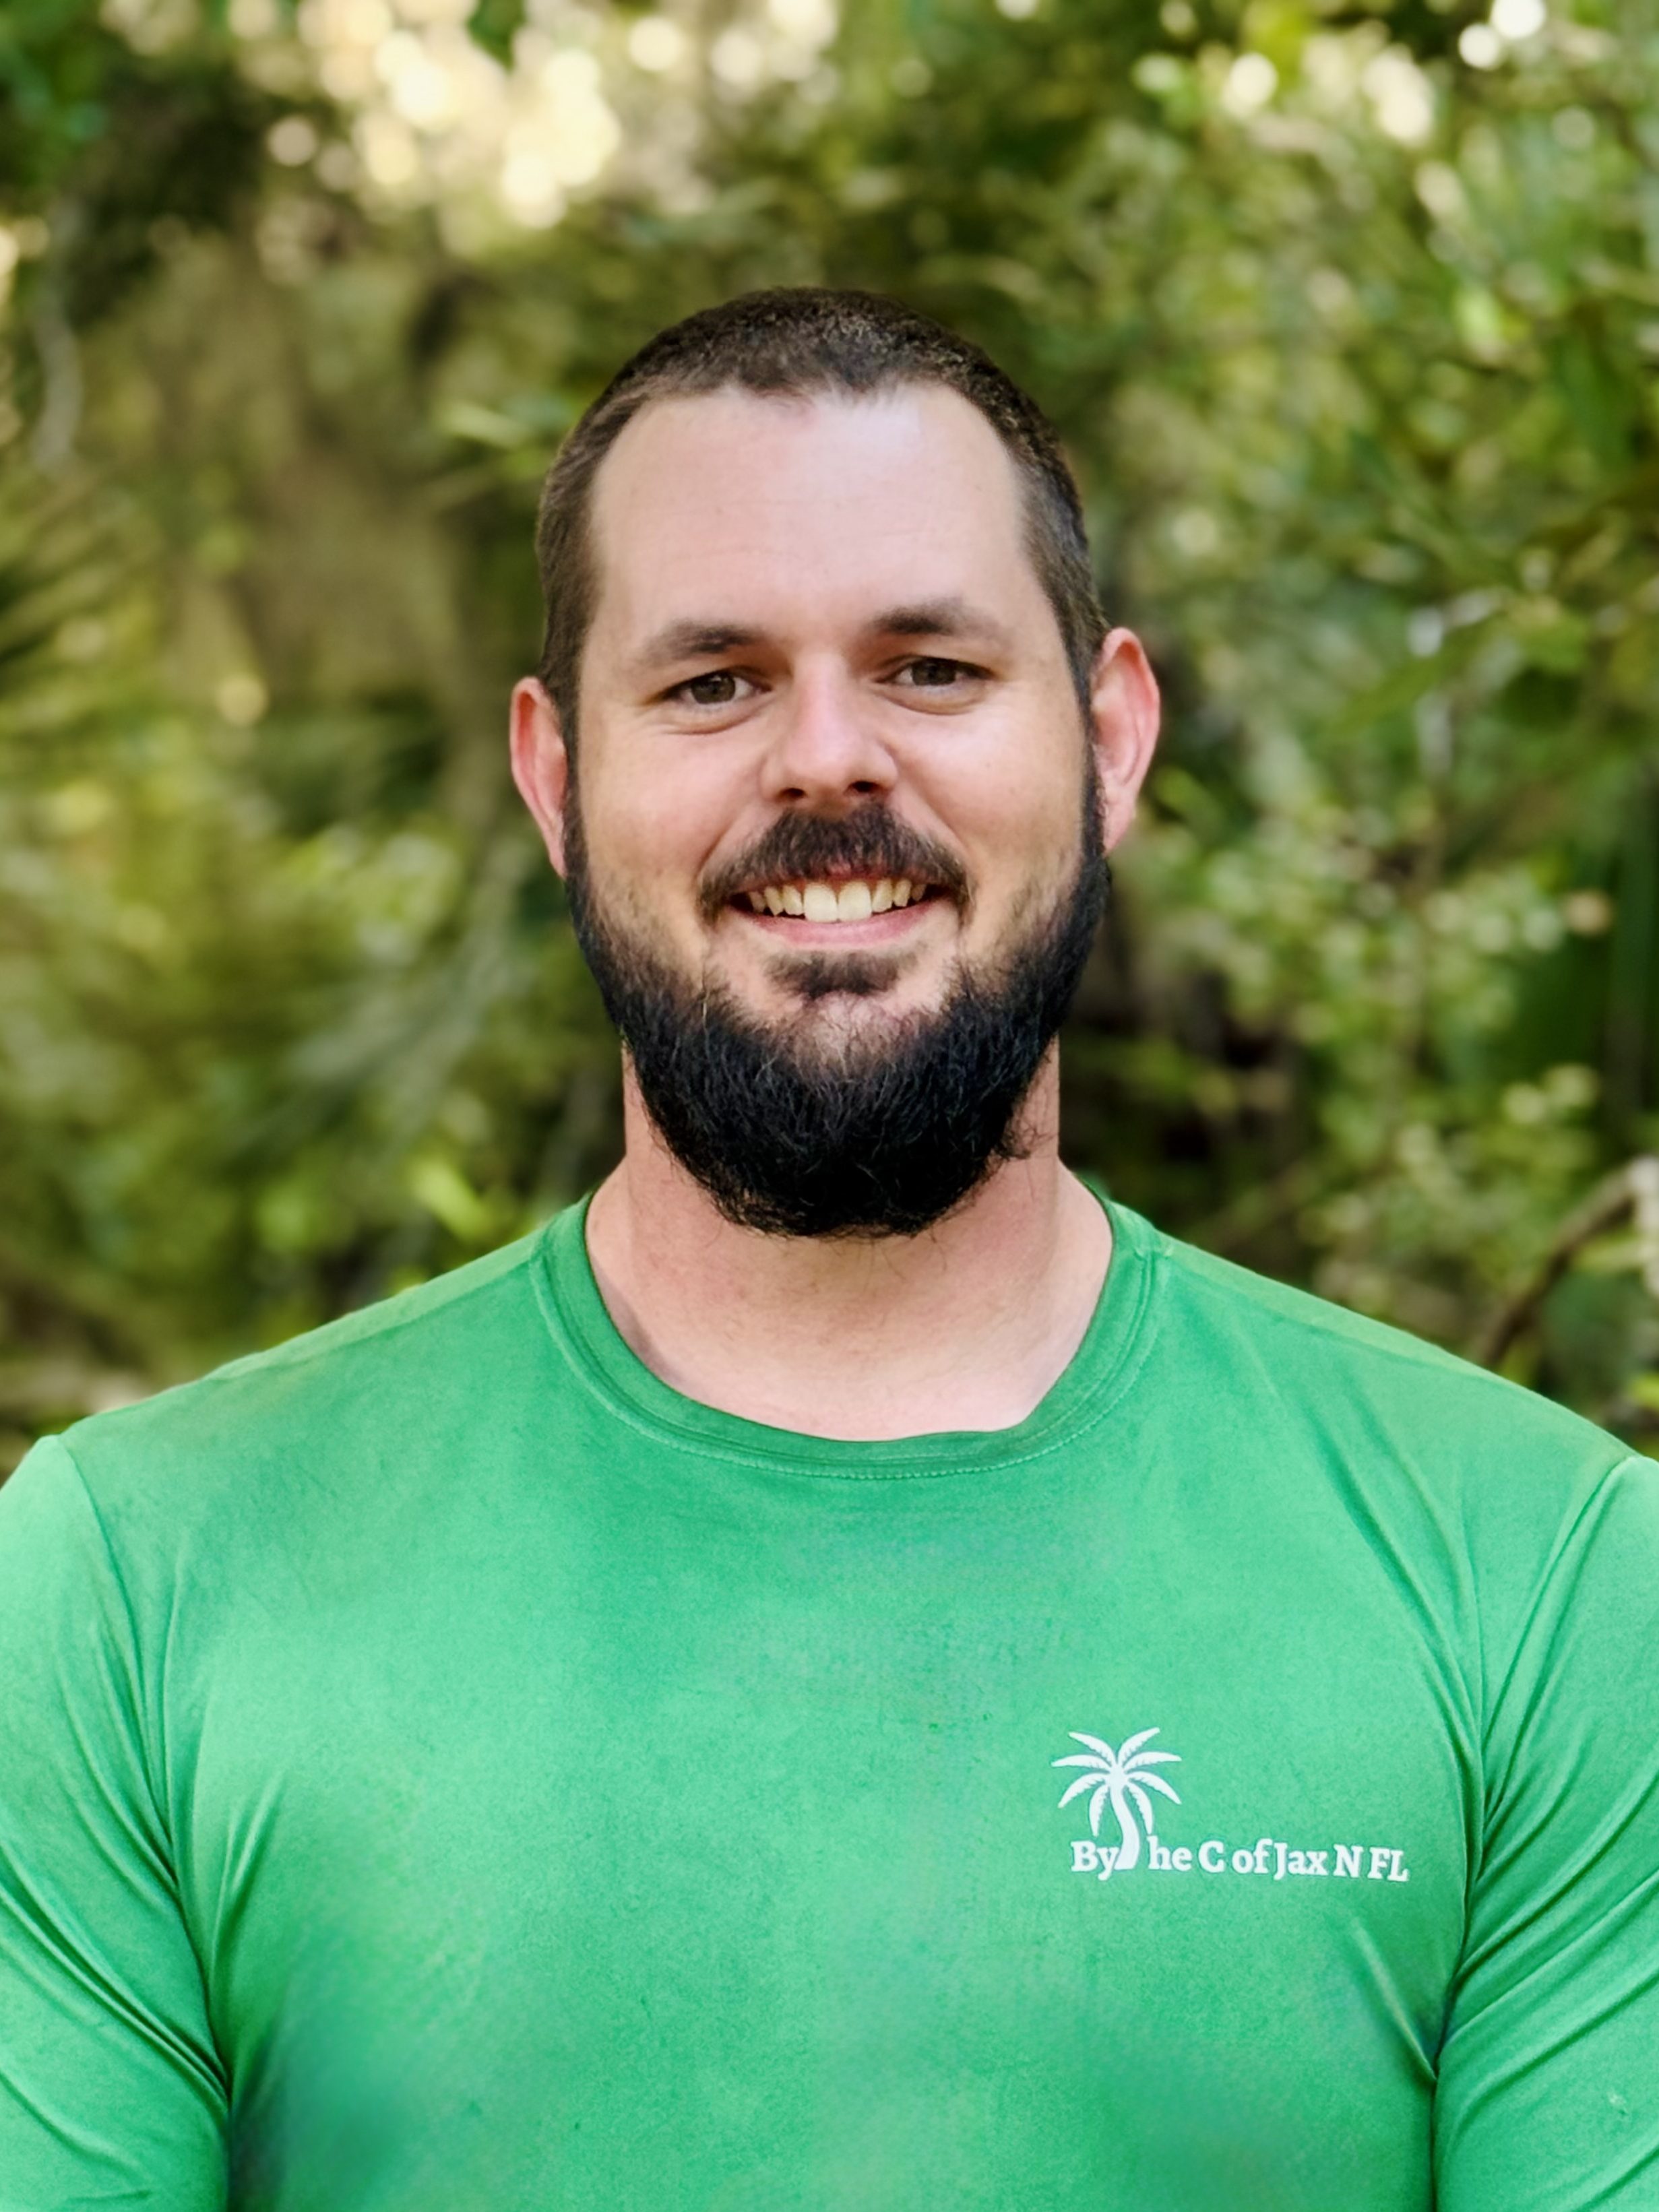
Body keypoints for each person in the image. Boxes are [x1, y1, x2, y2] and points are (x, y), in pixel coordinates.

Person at [1, 288, 1655, 2212]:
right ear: (556, 781)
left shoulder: (1546, 1581)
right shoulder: (125, 1584)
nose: (827, 762)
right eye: (713, 682)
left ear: (1113, 737)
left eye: (932, 667)